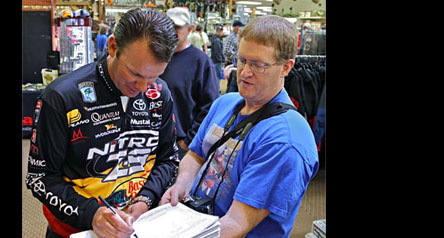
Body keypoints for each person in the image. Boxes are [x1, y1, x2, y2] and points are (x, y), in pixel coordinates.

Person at [160, 15, 319, 238]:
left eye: (258, 65)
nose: (244, 73)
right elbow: (196, 155)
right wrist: (181, 186)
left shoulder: (285, 141)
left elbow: (236, 224)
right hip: (194, 222)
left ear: (286, 67)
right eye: (242, 60)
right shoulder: (225, 103)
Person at [26, 8, 180, 238]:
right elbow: (40, 179)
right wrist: (92, 214)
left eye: (154, 76)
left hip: (138, 227)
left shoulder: (159, 94)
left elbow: (168, 159)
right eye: (135, 74)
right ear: (113, 47)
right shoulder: (62, 97)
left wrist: (146, 198)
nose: (142, 88)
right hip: (75, 231)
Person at [162, 7, 219, 158]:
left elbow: (210, 106)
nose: (170, 31)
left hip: (180, 145)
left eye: (176, 27)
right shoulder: (155, 55)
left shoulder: (201, 62)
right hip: (151, 142)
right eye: (167, 26)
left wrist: (188, 140)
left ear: (190, 29)